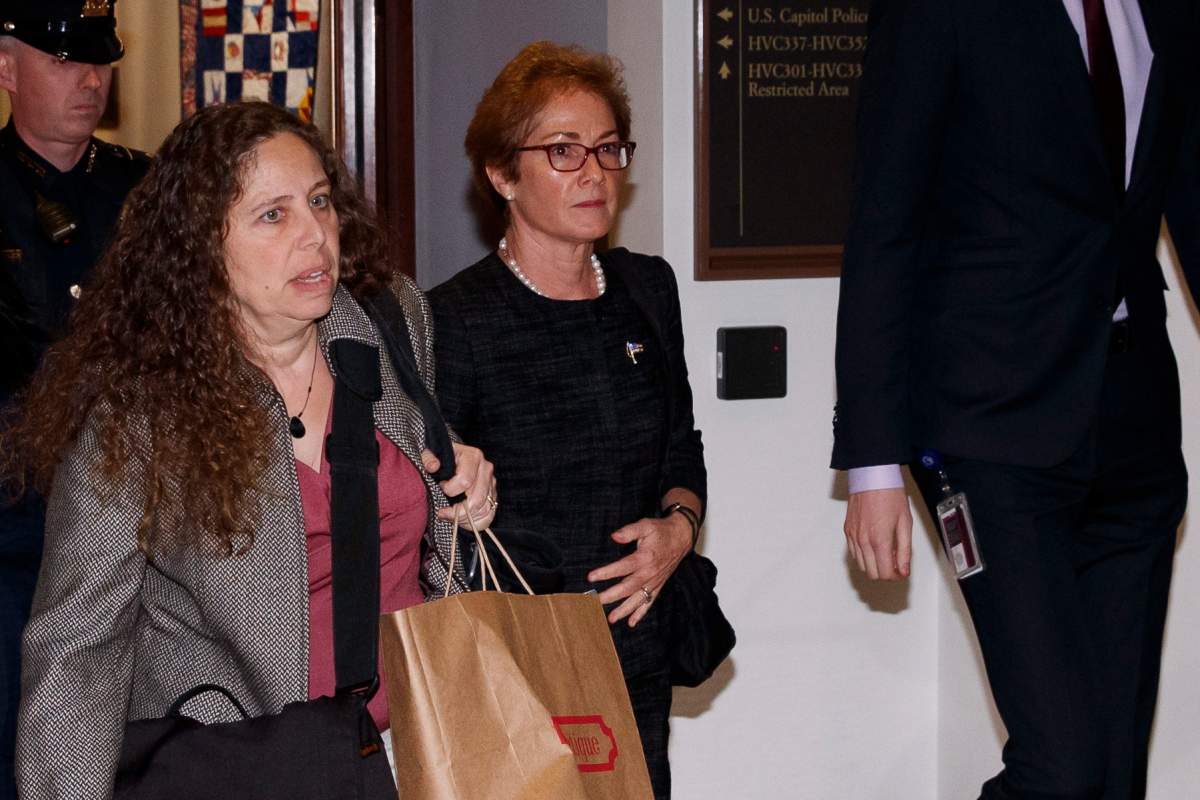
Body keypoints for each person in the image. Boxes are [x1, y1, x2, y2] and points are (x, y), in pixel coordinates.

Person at [5, 100, 497, 799]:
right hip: (236, 764)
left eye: (320, 202)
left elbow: (426, 529)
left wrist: (465, 493)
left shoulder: (391, 320)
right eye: (273, 215)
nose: (315, 237)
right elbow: (78, 648)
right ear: (202, 245)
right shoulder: (139, 407)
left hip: (411, 752)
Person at [833, 2, 1200, 798]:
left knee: (1111, 773)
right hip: (987, 428)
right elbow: (883, 222)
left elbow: (1191, 187)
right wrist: (872, 463)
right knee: (1061, 768)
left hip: (1134, 420)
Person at [429, 41, 706, 800]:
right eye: (562, 151)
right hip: (515, 656)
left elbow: (682, 446)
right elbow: (433, 509)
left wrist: (677, 532)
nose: (594, 171)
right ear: (501, 174)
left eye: (608, 148)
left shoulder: (647, 289)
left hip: (638, 645)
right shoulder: (453, 319)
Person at [0, 2, 148, 797]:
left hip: (135, 520)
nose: (89, 79)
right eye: (63, 61)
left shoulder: (146, 189)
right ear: (6, 68)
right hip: (15, 525)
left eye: (99, 61)